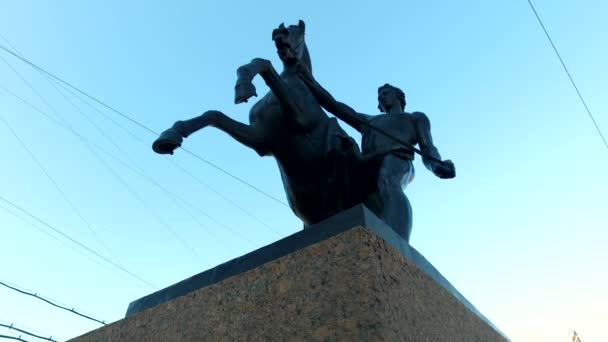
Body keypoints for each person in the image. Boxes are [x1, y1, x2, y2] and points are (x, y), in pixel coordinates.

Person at [297, 68, 455, 241]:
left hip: (398, 159)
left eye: (385, 93)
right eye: (379, 97)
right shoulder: (369, 121)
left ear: (398, 96)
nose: (381, 97)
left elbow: (428, 149)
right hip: (367, 163)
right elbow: (336, 106)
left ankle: (396, 239)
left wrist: (437, 165)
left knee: (387, 178)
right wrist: (309, 82)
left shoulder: (414, 118)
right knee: (335, 176)